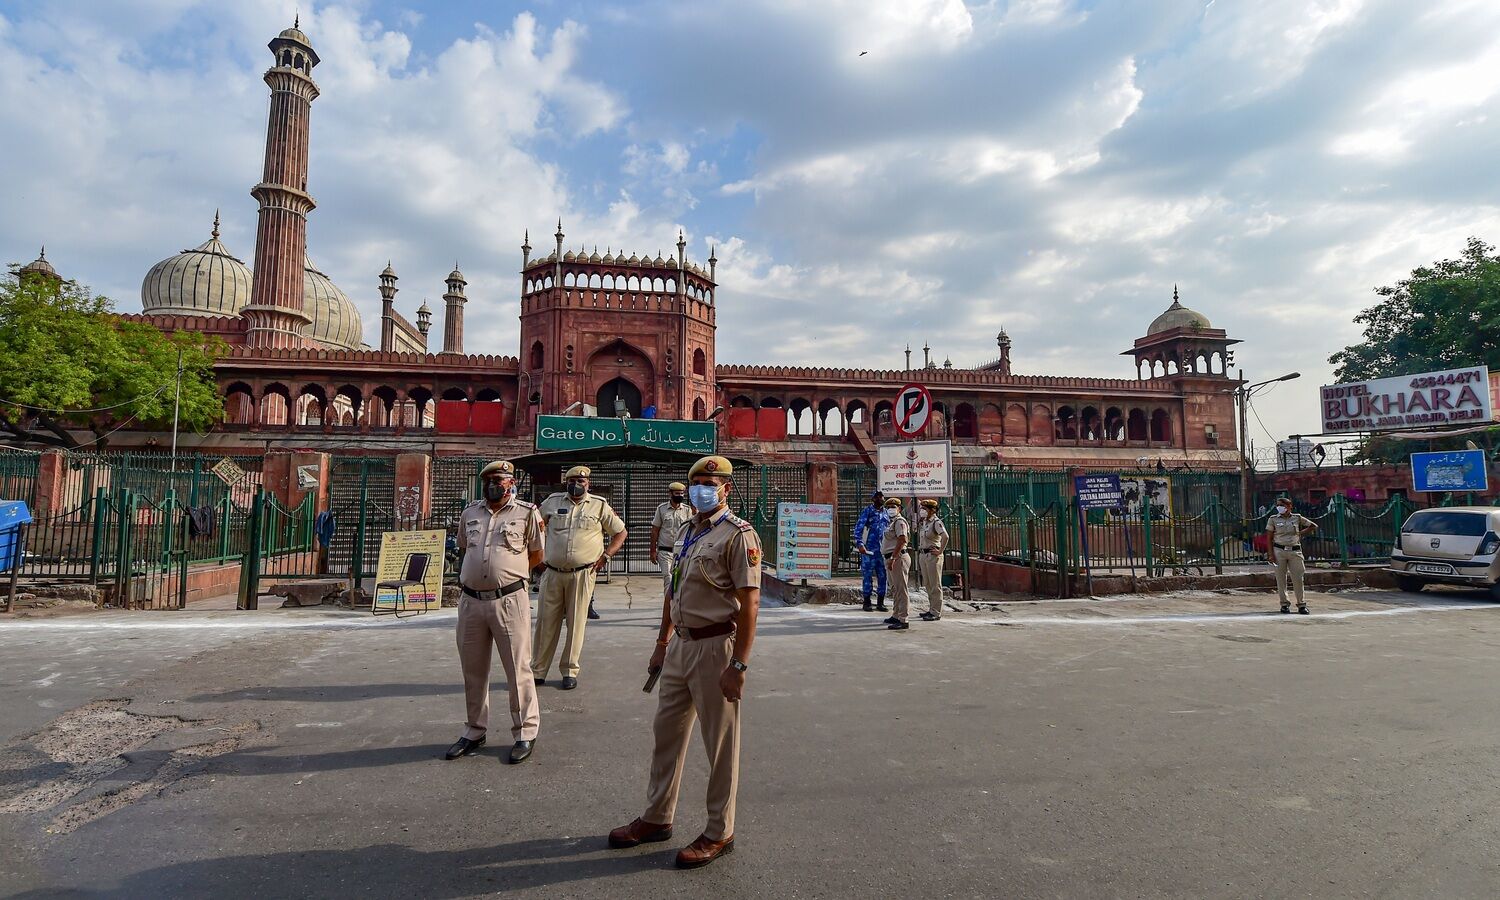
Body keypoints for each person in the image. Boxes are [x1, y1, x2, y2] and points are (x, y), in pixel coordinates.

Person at [607, 455, 762, 870]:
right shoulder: (689, 532)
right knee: (667, 735)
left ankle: (719, 830)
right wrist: (662, 641)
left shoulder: (737, 535)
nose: (701, 490)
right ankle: (657, 817)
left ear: (726, 489)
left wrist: (740, 665)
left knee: (721, 744)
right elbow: (671, 591)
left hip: (716, 648)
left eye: (711, 484)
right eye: (697, 484)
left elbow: (750, 603)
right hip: (680, 646)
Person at [446, 460, 543, 764]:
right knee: (473, 670)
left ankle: (525, 731)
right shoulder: (470, 512)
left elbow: (537, 554)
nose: (494, 484)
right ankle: (475, 729)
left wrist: (509, 576)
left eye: (500, 480)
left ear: (511, 483)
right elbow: (466, 548)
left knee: (517, 669)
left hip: (509, 601)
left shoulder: (527, 513)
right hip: (471, 602)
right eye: (489, 479)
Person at [531, 466, 627, 689]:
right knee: (546, 622)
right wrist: (537, 558)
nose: (578, 484)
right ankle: (538, 670)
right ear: (566, 482)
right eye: (573, 480)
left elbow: (620, 532)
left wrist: (606, 555)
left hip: (583, 574)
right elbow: (534, 527)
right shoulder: (552, 502)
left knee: (576, 624)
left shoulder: (599, 505)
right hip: (552, 572)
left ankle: (569, 670)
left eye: (582, 481)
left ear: (588, 484)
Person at [1266, 498, 1317, 614]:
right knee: (1281, 579)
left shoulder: (1297, 517)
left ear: (1289, 506)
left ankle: (1301, 604)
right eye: (1278, 505)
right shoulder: (1273, 519)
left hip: (1295, 551)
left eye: (1282, 505)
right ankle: (1284, 604)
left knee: (1298, 578)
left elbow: (1313, 526)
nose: (1280, 507)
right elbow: (1268, 537)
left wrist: (1300, 533)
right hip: (1279, 550)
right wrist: (1270, 554)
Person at [651, 482, 694, 601]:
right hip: (665, 551)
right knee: (668, 579)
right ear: (670, 494)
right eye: (677, 493)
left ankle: (676, 604)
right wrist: (653, 551)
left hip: (681, 552)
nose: (679, 495)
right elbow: (655, 530)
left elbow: (691, 530)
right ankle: (669, 607)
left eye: (681, 493)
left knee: (679, 580)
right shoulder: (662, 509)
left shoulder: (687, 510)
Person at [852, 490, 891, 612]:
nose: (881, 499)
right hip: (869, 550)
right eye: (878, 497)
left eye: (882, 497)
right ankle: (867, 601)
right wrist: (860, 544)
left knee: (883, 576)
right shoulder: (867, 511)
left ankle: (880, 602)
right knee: (867, 576)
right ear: (873, 499)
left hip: (882, 550)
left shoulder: (885, 513)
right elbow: (859, 528)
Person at [881, 497, 911, 630]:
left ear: (899, 509)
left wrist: (893, 558)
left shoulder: (900, 522)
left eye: (894, 507)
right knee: (894, 588)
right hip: (890, 558)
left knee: (901, 589)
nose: (891, 509)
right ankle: (896, 614)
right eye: (889, 507)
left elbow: (902, 540)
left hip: (898, 558)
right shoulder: (890, 522)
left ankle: (903, 618)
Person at [916, 499, 948, 621]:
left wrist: (940, 551)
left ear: (932, 510)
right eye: (922, 508)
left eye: (925, 509)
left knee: (935, 585)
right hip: (923, 554)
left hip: (933, 556)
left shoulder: (936, 522)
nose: (922, 511)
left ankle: (936, 612)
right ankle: (931, 609)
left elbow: (945, 536)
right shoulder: (924, 522)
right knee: (928, 584)